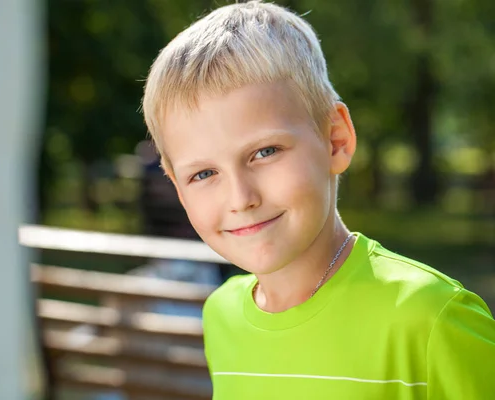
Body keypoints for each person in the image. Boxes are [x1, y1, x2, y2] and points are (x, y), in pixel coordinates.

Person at [141, 1, 495, 398]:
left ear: (335, 140)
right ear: (177, 188)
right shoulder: (220, 314)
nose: (241, 198)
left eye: (265, 152)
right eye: (204, 174)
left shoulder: (430, 318)